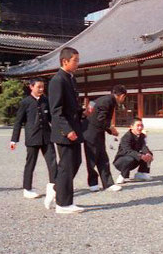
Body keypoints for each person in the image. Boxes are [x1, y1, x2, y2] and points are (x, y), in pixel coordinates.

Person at [10, 78, 57, 209]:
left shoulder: (45, 100)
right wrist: (14, 139)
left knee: (52, 161)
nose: (41, 89)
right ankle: (27, 189)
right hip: (32, 137)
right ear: (31, 87)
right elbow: (18, 121)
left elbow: (52, 119)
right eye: (39, 87)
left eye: (43, 87)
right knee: (30, 163)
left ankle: (54, 186)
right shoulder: (25, 102)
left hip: (47, 136)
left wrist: (60, 131)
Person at [48, 47, 85, 214]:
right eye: (75, 60)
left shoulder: (71, 79)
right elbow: (56, 110)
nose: (77, 64)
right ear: (65, 61)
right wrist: (67, 130)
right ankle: (63, 204)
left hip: (74, 129)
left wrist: (83, 111)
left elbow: (73, 107)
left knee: (76, 162)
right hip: (65, 131)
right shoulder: (57, 81)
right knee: (66, 166)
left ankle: (56, 189)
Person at [83, 85, 127, 192]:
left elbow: (89, 108)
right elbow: (100, 119)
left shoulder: (100, 99)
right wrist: (111, 129)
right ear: (122, 96)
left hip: (95, 131)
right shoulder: (108, 102)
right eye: (124, 97)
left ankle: (107, 183)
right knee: (93, 158)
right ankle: (93, 184)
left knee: (102, 157)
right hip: (91, 133)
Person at [114, 118, 153, 184]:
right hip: (121, 161)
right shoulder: (126, 137)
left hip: (134, 158)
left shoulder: (142, 136)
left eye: (141, 125)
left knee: (149, 155)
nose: (140, 128)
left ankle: (142, 173)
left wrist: (147, 154)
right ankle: (122, 176)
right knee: (129, 158)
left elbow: (144, 147)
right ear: (131, 127)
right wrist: (140, 156)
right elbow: (127, 151)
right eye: (138, 126)